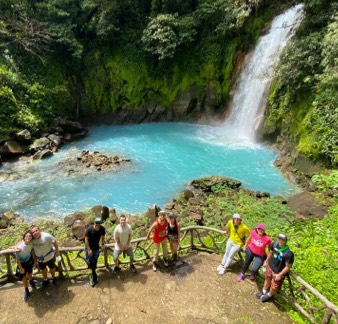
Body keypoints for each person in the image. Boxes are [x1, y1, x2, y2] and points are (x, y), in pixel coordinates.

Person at [256, 233, 294, 302]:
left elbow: (288, 267)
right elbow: (270, 252)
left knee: (274, 286)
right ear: (277, 238)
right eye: (279, 238)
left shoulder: (288, 253)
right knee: (267, 278)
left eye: (283, 239)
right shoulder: (274, 244)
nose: (280, 241)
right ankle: (264, 291)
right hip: (270, 266)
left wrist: (280, 275)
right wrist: (266, 261)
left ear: (285, 241)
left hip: (278, 272)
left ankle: (269, 295)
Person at [15, 230, 40, 301]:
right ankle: (26, 290)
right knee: (23, 277)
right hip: (22, 263)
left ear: (31, 238)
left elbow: (32, 251)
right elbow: (17, 259)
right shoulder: (19, 247)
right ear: (24, 237)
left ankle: (32, 282)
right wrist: (20, 267)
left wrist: (35, 260)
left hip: (29, 261)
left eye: (30, 236)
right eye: (27, 236)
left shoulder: (31, 243)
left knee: (29, 273)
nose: (28, 237)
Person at [84, 217, 106, 287]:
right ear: (94, 222)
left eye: (99, 223)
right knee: (89, 261)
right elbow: (86, 240)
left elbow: (102, 237)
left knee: (95, 261)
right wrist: (89, 249)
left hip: (96, 248)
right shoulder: (89, 229)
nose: (97, 225)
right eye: (96, 223)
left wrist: (102, 244)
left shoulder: (102, 229)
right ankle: (94, 274)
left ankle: (93, 275)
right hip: (89, 248)